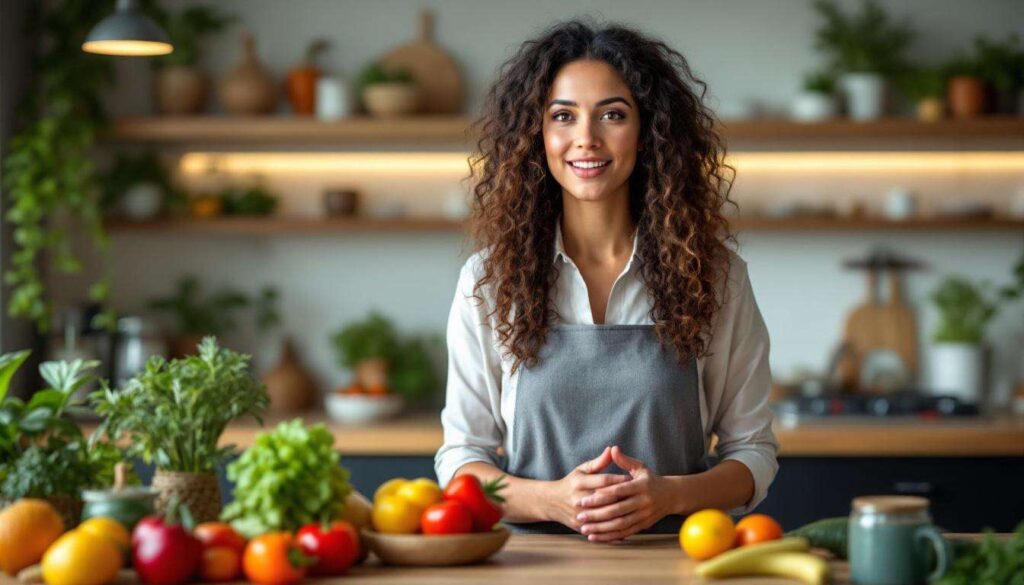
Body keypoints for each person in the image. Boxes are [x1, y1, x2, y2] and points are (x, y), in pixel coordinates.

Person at [434, 20, 778, 542]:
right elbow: (461, 459)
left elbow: (752, 452)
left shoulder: (715, 276)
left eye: (612, 115)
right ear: (536, 135)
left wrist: (671, 496)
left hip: (676, 560)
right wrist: (550, 501)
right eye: (563, 116)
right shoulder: (488, 280)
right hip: (532, 568)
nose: (586, 139)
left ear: (648, 131)